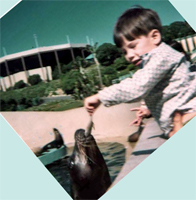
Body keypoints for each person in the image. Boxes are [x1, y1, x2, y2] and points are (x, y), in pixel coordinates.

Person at [84, 6, 196, 139]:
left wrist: (100, 97)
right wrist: (148, 109)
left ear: (154, 37)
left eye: (132, 46)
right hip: (179, 120)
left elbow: (137, 86)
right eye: (124, 51)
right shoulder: (152, 63)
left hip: (188, 115)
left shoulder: (162, 55)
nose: (129, 55)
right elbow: (167, 91)